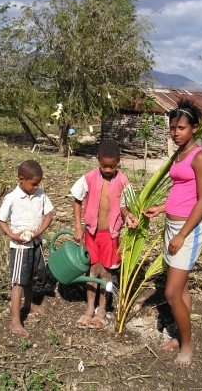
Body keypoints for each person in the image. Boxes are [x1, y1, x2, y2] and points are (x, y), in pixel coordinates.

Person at [143, 98, 202, 367]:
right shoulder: (180, 154)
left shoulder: (200, 156)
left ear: (194, 128)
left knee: (171, 293)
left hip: (189, 230)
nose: (176, 133)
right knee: (180, 290)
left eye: (181, 128)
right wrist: (161, 208)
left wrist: (182, 234)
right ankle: (180, 337)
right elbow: (182, 192)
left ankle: (188, 345)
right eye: (172, 128)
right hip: (173, 226)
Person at [70, 140, 138, 329]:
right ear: (98, 161)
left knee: (106, 273)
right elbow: (77, 200)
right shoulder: (89, 177)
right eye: (104, 166)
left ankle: (102, 309)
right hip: (91, 233)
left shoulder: (123, 181)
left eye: (112, 166)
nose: (108, 170)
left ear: (119, 162)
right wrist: (77, 227)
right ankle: (89, 308)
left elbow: (124, 207)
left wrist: (129, 216)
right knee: (92, 271)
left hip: (111, 236)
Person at [0, 160, 53, 336]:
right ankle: (15, 320)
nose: (36, 187)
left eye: (38, 184)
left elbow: (49, 215)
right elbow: (1, 219)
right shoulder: (12, 198)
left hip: (35, 243)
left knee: (29, 278)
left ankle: (28, 304)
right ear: (21, 179)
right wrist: (12, 235)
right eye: (33, 184)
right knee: (18, 282)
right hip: (20, 247)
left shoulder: (41, 194)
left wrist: (38, 233)